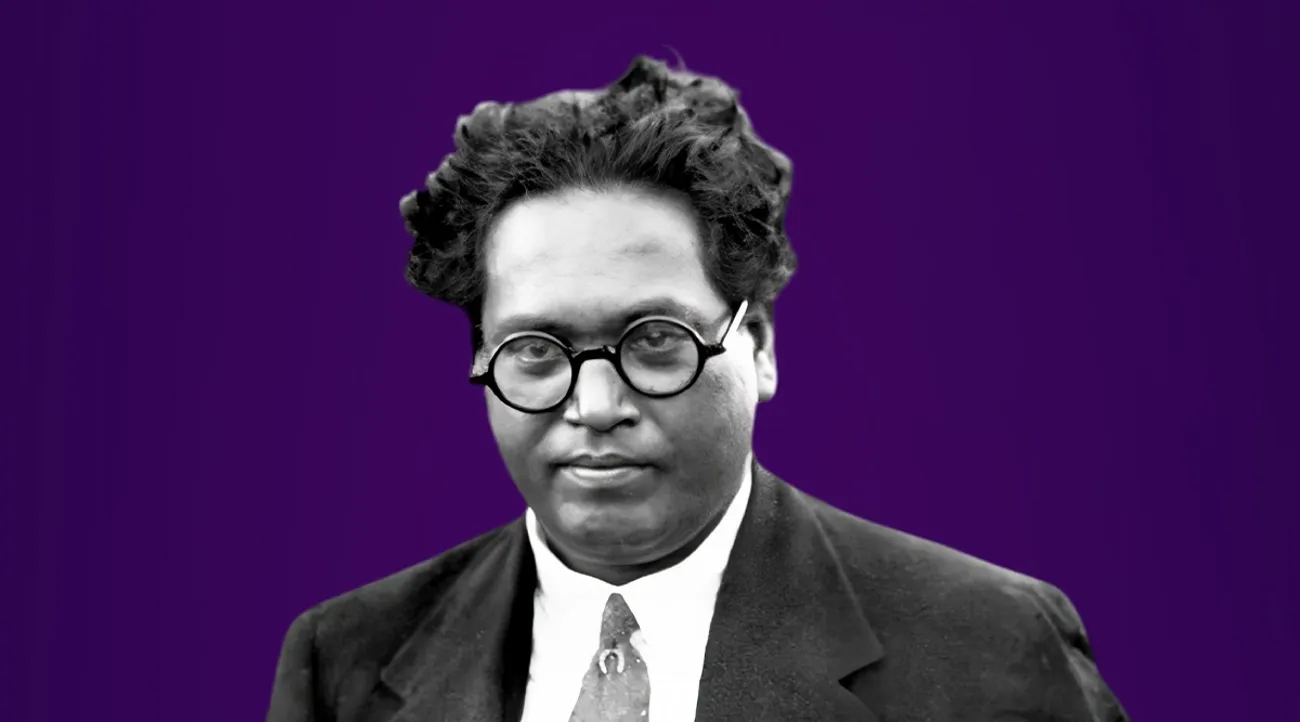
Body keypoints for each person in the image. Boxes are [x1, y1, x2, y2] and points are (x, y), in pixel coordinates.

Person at [266, 56, 1129, 722]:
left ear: (758, 345)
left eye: (654, 341)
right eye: (535, 351)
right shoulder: (344, 662)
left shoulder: (989, 649)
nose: (596, 408)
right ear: (482, 360)